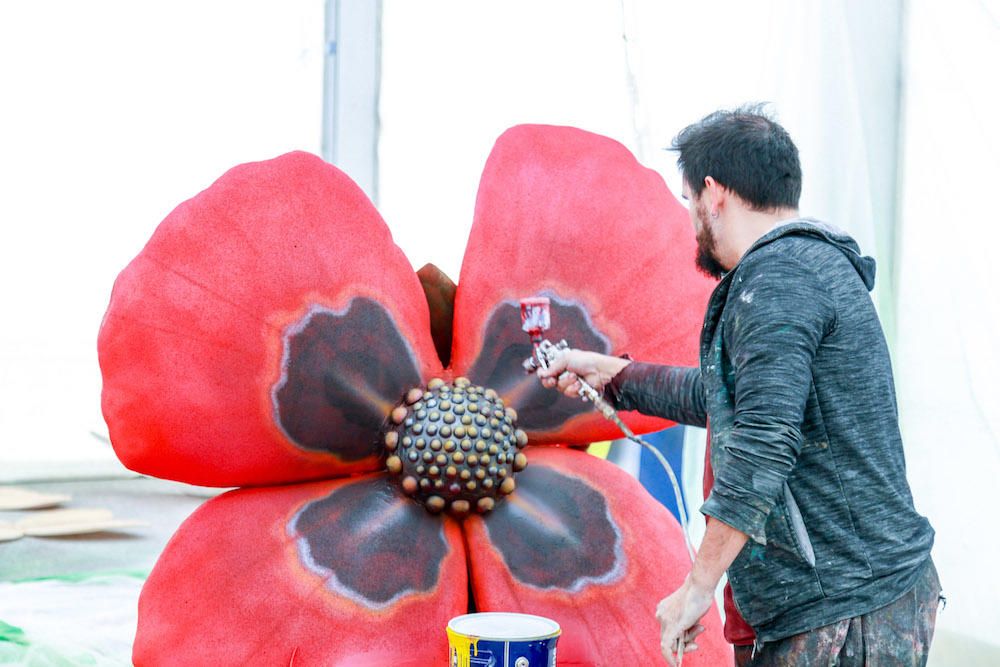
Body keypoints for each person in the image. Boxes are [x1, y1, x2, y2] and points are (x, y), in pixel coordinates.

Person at [537, 105, 940, 666]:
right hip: (860, 596)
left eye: (688, 204)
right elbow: (732, 400)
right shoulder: (807, 267)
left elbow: (762, 441)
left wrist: (696, 586)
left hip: (844, 608)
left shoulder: (776, 279)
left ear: (713, 193)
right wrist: (614, 377)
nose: (690, 223)